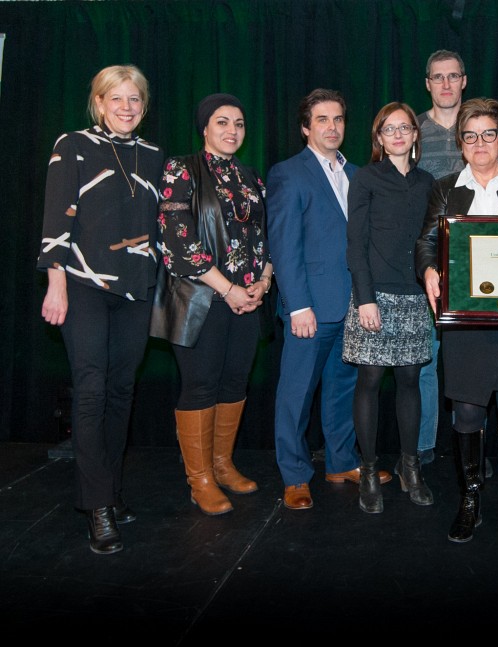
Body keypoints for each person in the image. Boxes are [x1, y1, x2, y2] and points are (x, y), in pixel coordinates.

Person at [38, 64, 163, 554]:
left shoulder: (153, 155)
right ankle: (97, 506)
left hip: (136, 288)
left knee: (120, 390)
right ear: (99, 103)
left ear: (143, 106)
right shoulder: (73, 145)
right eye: (117, 98)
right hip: (83, 285)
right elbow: (56, 218)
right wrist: (56, 284)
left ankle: (109, 490)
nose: (126, 107)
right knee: (90, 390)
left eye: (134, 99)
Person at [415, 98, 498, 550]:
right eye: (470, 136)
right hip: (465, 318)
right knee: (468, 412)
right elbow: (427, 240)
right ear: (460, 142)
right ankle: (470, 498)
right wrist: (429, 269)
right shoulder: (445, 188)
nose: (479, 143)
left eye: (488, 134)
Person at [267, 89, 390, 512]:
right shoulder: (288, 173)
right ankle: (295, 476)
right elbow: (284, 245)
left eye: (338, 119)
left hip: (353, 305)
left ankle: (341, 462)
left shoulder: (357, 173)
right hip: (311, 309)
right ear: (306, 128)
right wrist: (298, 305)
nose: (332, 127)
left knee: (343, 391)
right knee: (296, 395)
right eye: (322, 119)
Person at [154, 93, 271, 516]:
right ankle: (199, 478)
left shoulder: (250, 176)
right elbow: (177, 242)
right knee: (200, 384)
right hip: (201, 299)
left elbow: (266, 236)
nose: (232, 130)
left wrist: (263, 281)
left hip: (247, 300)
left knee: (235, 383)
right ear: (204, 128)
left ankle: (222, 465)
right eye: (222, 122)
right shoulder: (181, 169)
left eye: (239, 123)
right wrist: (228, 289)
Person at [344, 102, 435, 513]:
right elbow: (355, 243)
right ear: (379, 137)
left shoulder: (427, 182)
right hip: (374, 296)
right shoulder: (366, 178)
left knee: (411, 380)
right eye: (389, 129)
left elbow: (431, 241)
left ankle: (409, 466)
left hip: (415, 296)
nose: (397, 135)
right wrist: (365, 298)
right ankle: (368, 469)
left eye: (405, 128)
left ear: (415, 134)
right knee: (369, 380)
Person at [415, 50, 468, 466]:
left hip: (473, 265)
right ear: (428, 83)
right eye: (438, 77)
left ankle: (471, 446)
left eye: (453, 76)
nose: (446, 84)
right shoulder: (412, 130)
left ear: (463, 81)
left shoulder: (478, 128)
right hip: (426, 264)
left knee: (471, 361)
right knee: (425, 361)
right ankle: (423, 447)